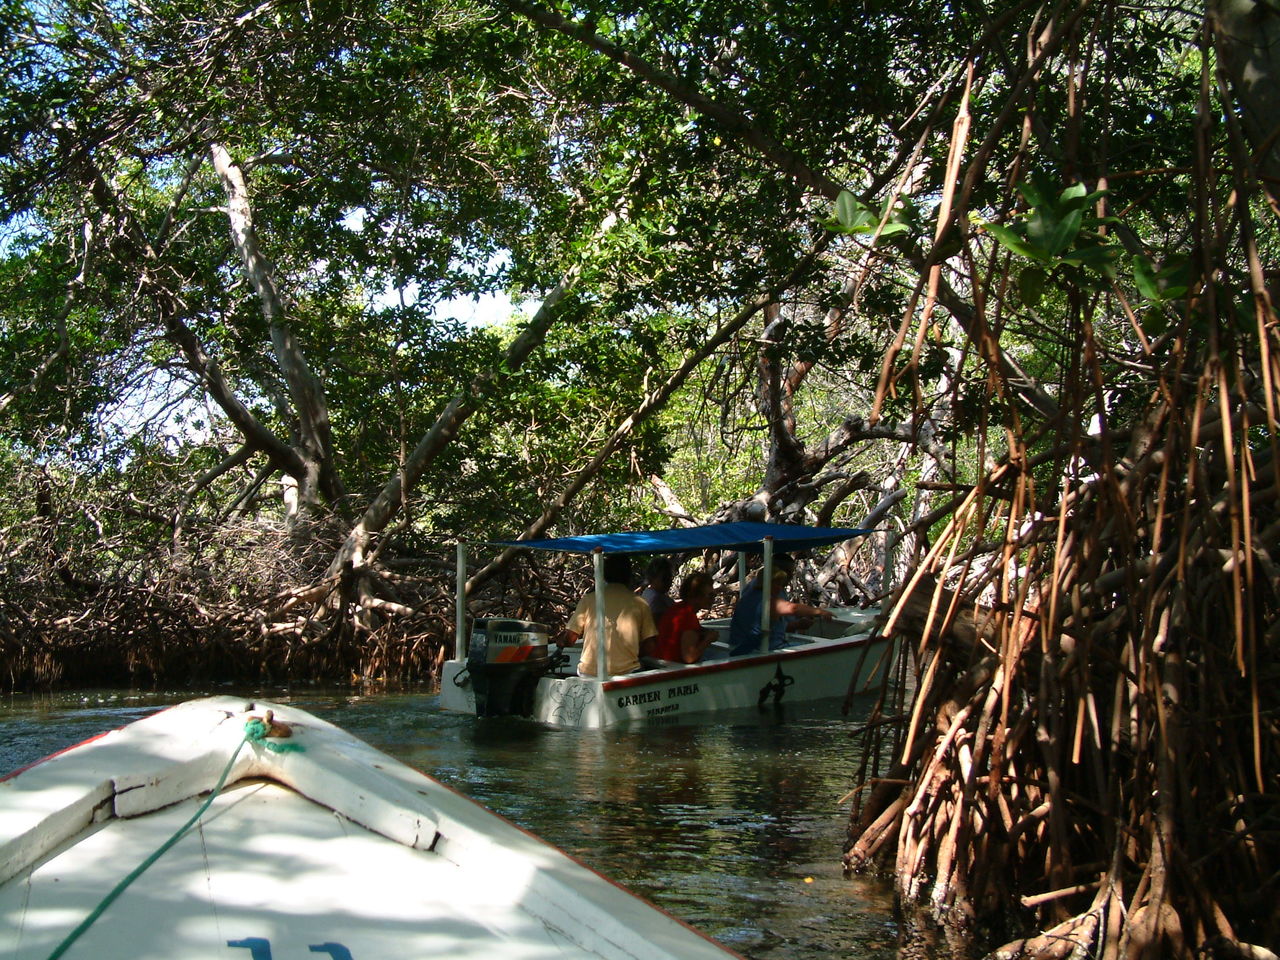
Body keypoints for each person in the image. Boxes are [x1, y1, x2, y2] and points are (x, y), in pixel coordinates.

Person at [563, 554, 658, 677]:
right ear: (629, 575)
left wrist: (562, 641)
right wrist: (631, 653)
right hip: (627, 673)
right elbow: (651, 645)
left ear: (604, 575)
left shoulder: (589, 599)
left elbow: (570, 639)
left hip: (589, 673)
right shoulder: (640, 603)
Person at [727, 555, 834, 656]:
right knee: (819, 649)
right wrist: (820, 611)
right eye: (776, 583)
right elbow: (793, 608)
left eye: (780, 584)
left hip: (745, 647)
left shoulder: (749, 594)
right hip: (764, 651)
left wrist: (797, 624)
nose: (779, 588)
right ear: (767, 582)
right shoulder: (768, 602)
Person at [654, 571, 719, 663]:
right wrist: (708, 639)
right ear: (695, 596)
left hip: (660, 665)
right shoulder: (688, 617)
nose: (713, 599)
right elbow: (689, 657)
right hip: (673, 671)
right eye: (710, 595)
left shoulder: (677, 609)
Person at [638, 556, 675, 621]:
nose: (669, 581)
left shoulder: (648, 593)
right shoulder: (656, 600)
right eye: (664, 578)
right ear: (653, 577)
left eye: (670, 578)